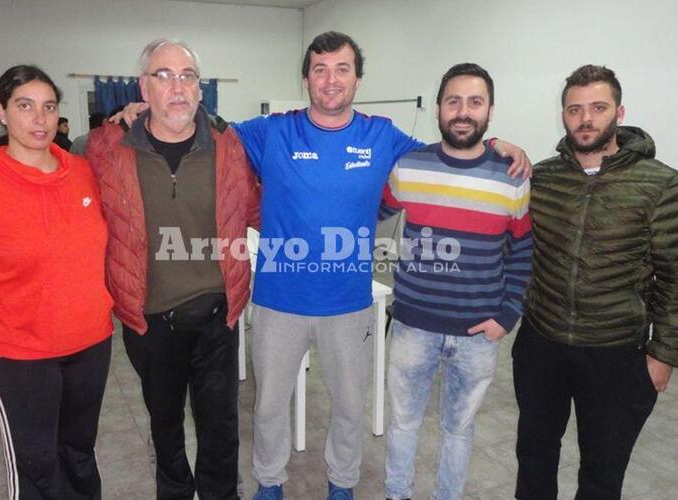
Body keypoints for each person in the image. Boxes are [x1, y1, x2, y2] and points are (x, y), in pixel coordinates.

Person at [114, 32, 530, 500]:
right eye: (320, 69)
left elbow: (450, 152)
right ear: (307, 78)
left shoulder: (383, 136)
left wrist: (496, 142)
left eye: (342, 69)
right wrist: (140, 114)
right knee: (269, 406)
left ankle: (342, 482)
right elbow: (199, 124)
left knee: (350, 407)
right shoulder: (269, 131)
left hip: (348, 305)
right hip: (278, 302)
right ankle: (270, 482)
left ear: (357, 78)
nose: (331, 80)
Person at [85, 39, 260, 500]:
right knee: (165, 425)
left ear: (200, 90)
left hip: (217, 317)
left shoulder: (229, 145)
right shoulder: (108, 147)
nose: (177, 87)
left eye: (188, 76)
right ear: (144, 87)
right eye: (164, 75)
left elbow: (259, 207)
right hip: (151, 321)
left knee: (221, 427)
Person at [0, 64, 114, 499]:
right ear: (1, 112)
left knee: (79, 454)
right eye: (25, 106)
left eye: (48, 107)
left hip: (91, 346)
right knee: (37, 466)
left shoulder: (80, 172)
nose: (39, 119)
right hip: (20, 357)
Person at [514, 64, 678, 500]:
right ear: (563, 115)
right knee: (534, 457)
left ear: (618, 112)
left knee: (603, 473)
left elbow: (675, 278)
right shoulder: (544, 178)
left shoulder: (659, 183)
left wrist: (663, 353)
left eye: (598, 108)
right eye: (575, 109)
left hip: (614, 353)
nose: (585, 119)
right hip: (541, 344)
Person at [381, 63, 532, 500]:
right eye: (453, 101)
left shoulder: (512, 177)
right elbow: (368, 210)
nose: (463, 111)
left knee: (458, 431)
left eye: (474, 101)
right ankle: (397, 494)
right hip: (413, 326)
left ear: (489, 110)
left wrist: (507, 315)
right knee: (403, 423)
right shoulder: (409, 166)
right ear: (438, 109)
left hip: (478, 334)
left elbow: (522, 250)